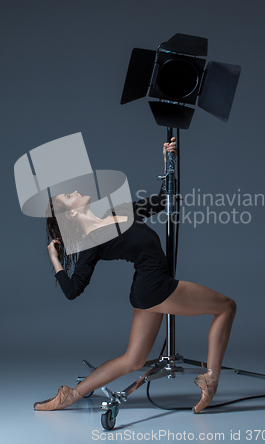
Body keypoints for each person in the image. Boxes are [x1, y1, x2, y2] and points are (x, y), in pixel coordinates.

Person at [34, 137, 236, 414]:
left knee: (133, 359)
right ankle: (211, 380)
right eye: (69, 196)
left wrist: (168, 161)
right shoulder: (92, 241)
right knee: (226, 307)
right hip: (157, 287)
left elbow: (165, 201)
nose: (76, 191)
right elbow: (72, 290)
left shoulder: (115, 212)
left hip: (146, 290)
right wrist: (55, 260)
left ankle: (70, 396)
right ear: (70, 212)